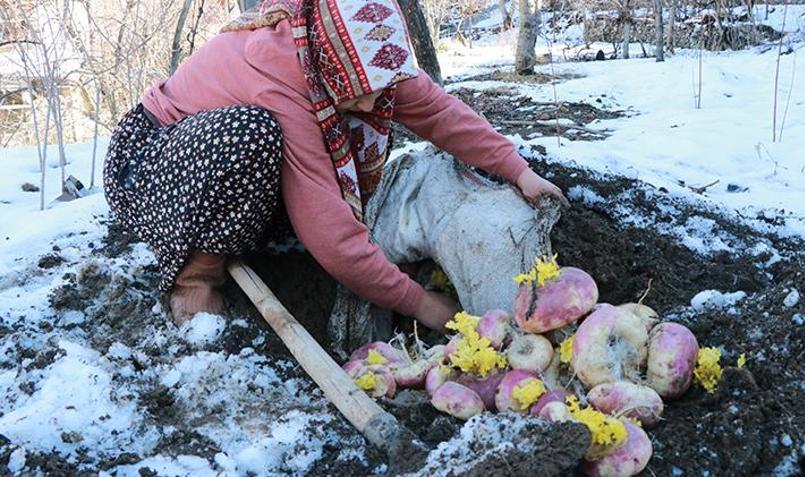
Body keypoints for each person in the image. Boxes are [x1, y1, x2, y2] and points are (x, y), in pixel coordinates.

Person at [103, 0, 567, 331]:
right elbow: (333, 238)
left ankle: (250, 229)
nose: (372, 101)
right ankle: (195, 276)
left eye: (380, 88)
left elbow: (439, 112)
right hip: (151, 167)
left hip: (216, 171)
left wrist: (518, 171)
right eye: (359, 89)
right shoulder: (280, 76)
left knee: (296, 150)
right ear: (327, 61)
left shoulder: (368, 52)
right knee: (252, 135)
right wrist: (421, 304)